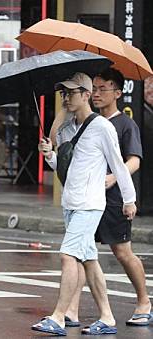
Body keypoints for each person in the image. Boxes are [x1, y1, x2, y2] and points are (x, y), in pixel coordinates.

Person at [32, 72, 137, 336]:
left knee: (68, 256)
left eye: (71, 93)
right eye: (64, 93)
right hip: (71, 203)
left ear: (86, 95)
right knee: (89, 260)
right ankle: (108, 317)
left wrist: (129, 199)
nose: (66, 98)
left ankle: (58, 317)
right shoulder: (68, 129)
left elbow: (119, 165)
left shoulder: (103, 127)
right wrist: (50, 156)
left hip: (90, 205)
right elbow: (67, 169)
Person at [62, 69, 150, 327]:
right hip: (88, 198)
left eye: (103, 89)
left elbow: (133, 160)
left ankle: (144, 300)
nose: (98, 94)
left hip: (113, 198)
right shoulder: (85, 122)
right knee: (80, 253)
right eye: (95, 89)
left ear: (118, 93)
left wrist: (113, 180)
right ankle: (71, 310)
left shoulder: (125, 124)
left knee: (122, 251)